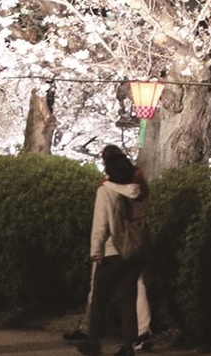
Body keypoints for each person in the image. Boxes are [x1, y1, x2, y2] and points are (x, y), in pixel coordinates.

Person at [65, 149, 154, 352]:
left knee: (99, 299)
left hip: (112, 252)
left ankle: (93, 341)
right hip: (135, 252)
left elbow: (100, 225)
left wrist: (95, 250)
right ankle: (128, 345)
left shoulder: (106, 191)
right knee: (128, 300)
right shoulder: (139, 191)